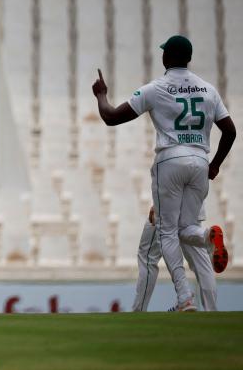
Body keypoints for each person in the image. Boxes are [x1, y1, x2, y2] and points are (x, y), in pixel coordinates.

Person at [92, 35, 236, 311]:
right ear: (189, 58)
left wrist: (101, 94)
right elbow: (230, 131)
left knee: (167, 233)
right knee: (186, 230)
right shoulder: (208, 89)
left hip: (170, 159)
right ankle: (208, 236)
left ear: (165, 58)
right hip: (200, 160)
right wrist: (215, 164)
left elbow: (110, 117)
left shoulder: (156, 88)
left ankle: (184, 298)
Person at [133, 205, 217, 311]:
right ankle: (211, 311)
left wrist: (157, 204)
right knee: (201, 261)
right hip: (194, 208)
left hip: (168, 208)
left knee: (148, 257)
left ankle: (139, 310)